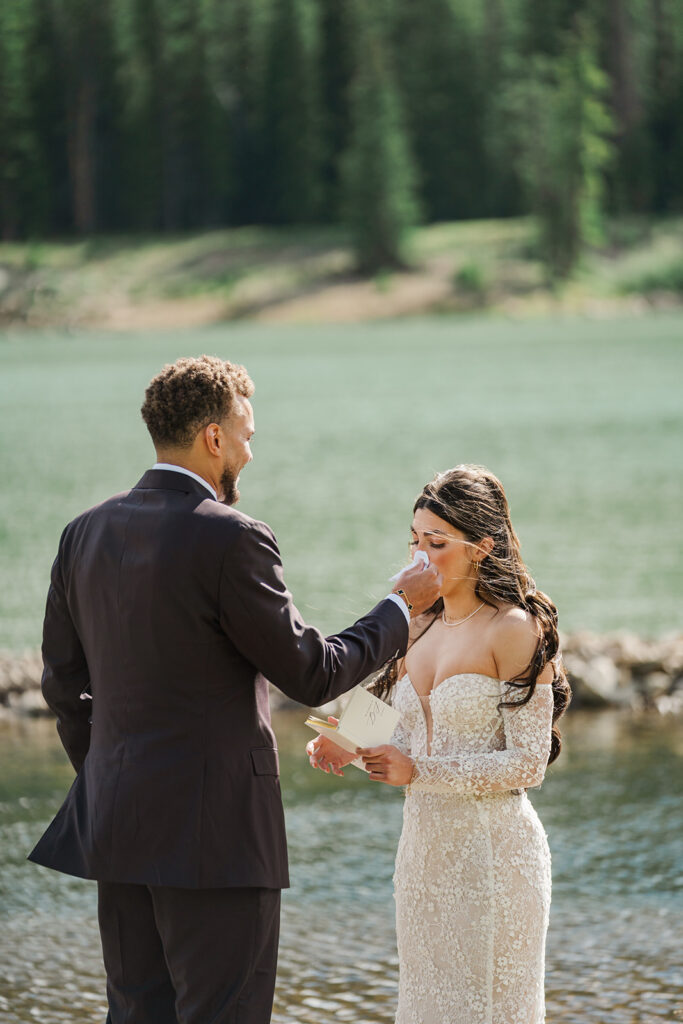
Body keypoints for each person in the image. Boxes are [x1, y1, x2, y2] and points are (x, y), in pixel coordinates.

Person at [27, 355, 441, 1024]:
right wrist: (398, 607)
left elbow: (62, 686)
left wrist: (109, 774)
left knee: (136, 1015)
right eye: (246, 435)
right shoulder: (231, 536)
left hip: (117, 825)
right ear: (213, 437)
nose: (250, 452)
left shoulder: (83, 532)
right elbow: (312, 674)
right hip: (216, 838)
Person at [307, 465, 571, 1024]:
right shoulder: (416, 626)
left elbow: (528, 764)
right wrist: (345, 741)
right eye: (415, 541)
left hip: (494, 860)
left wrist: (417, 772)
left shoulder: (514, 628)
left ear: (482, 547)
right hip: (423, 862)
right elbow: (398, 722)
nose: (420, 559)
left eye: (437, 542)